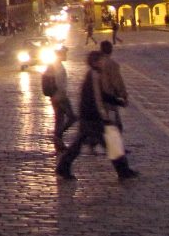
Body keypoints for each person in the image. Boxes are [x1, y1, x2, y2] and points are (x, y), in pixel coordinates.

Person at [55, 51, 138, 181]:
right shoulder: (94, 75)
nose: (102, 62)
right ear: (94, 62)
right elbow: (96, 97)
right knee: (112, 143)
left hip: (89, 116)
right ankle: (123, 171)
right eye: (100, 60)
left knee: (78, 145)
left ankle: (63, 168)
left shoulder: (94, 74)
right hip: (93, 116)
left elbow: (101, 95)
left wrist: (117, 102)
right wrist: (101, 114)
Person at [44, 48, 76, 152]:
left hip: (56, 96)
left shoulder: (55, 65)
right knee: (71, 117)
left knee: (59, 119)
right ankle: (58, 137)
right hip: (60, 96)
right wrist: (60, 96)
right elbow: (59, 83)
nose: (66, 55)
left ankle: (59, 143)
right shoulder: (57, 66)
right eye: (64, 53)